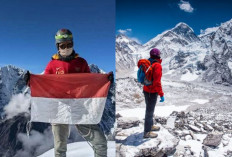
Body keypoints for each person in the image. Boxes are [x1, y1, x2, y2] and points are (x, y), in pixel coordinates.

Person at [44, 29, 109, 157]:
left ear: (73, 44)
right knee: (59, 148)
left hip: (79, 106)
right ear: (58, 46)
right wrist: (31, 81)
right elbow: (44, 84)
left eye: (69, 44)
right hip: (59, 108)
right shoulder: (52, 65)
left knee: (100, 143)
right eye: (63, 45)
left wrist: (105, 80)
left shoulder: (81, 62)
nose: (66, 48)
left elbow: (90, 83)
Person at [143, 48, 164, 138]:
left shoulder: (147, 63)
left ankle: (150, 126)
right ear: (158, 55)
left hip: (146, 90)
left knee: (149, 110)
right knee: (149, 111)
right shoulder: (157, 65)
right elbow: (157, 82)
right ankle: (147, 132)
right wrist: (161, 94)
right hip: (152, 92)